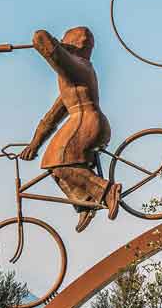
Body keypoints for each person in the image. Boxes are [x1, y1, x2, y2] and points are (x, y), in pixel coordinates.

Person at [19, 27, 121, 233]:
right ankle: (85, 201)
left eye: (66, 40)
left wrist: (56, 46)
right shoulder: (72, 82)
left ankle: (106, 189)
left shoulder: (79, 67)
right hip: (85, 122)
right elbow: (52, 117)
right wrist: (34, 143)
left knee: (56, 159)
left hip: (86, 124)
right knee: (55, 168)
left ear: (75, 44)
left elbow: (42, 39)